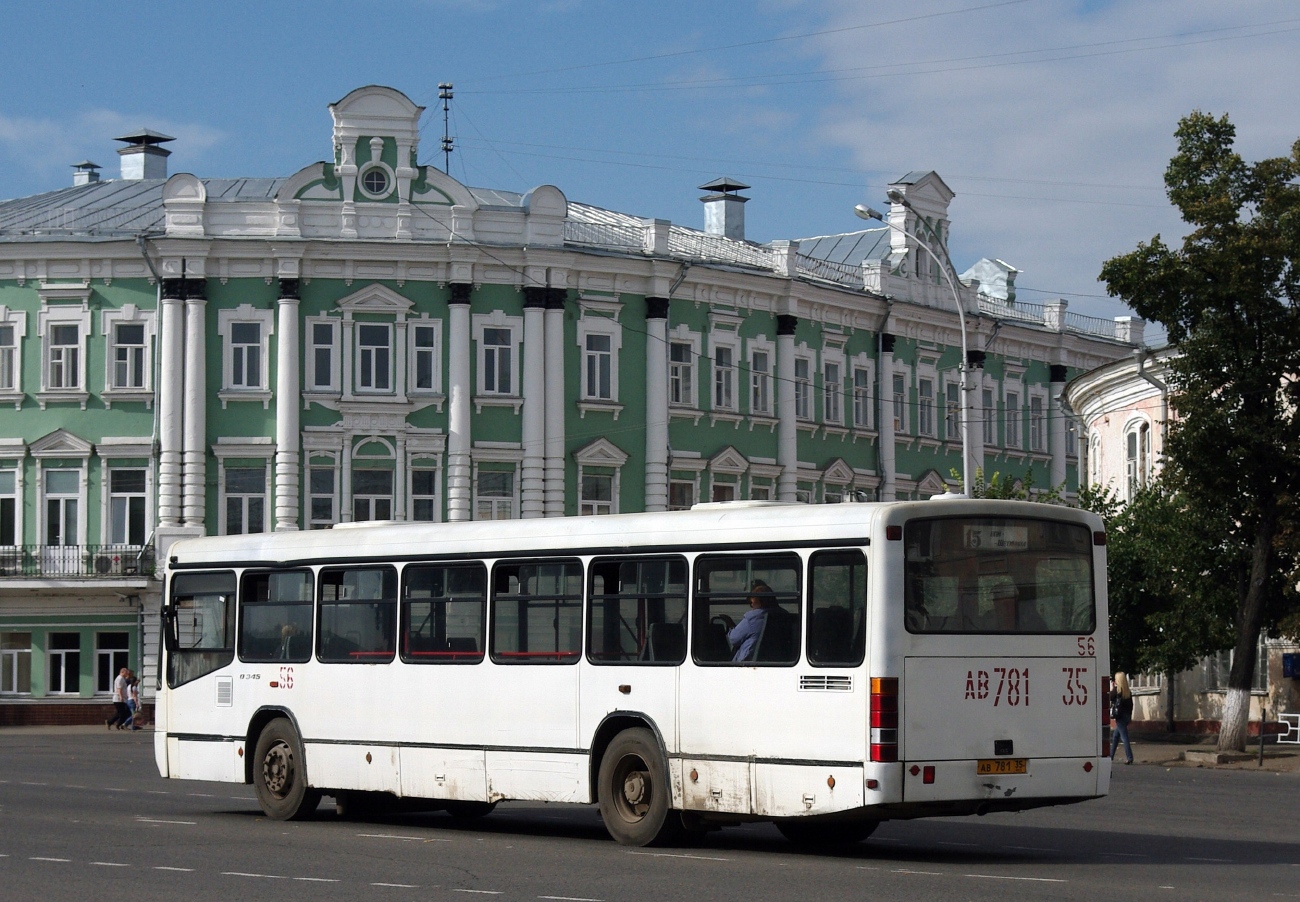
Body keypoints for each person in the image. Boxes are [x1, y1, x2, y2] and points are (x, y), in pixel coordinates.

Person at [726, 580, 777, 662]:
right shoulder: (782, 615)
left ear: (760, 601)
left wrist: (731, 626)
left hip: (747, 661)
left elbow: (734, 639)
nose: (751, 603)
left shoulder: (753, 618)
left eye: (752, 599)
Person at [1110, 671, 1134, 764]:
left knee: (1124, 737)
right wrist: (1130, 717)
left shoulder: (1117, 691)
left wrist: (1113, 687)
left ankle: (1130, 757)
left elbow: (1110, 697)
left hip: (1120, 717)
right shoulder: (1127, 691)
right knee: (1115, 736)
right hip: (1127, 716)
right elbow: (1131, 705)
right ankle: (1110, 756)